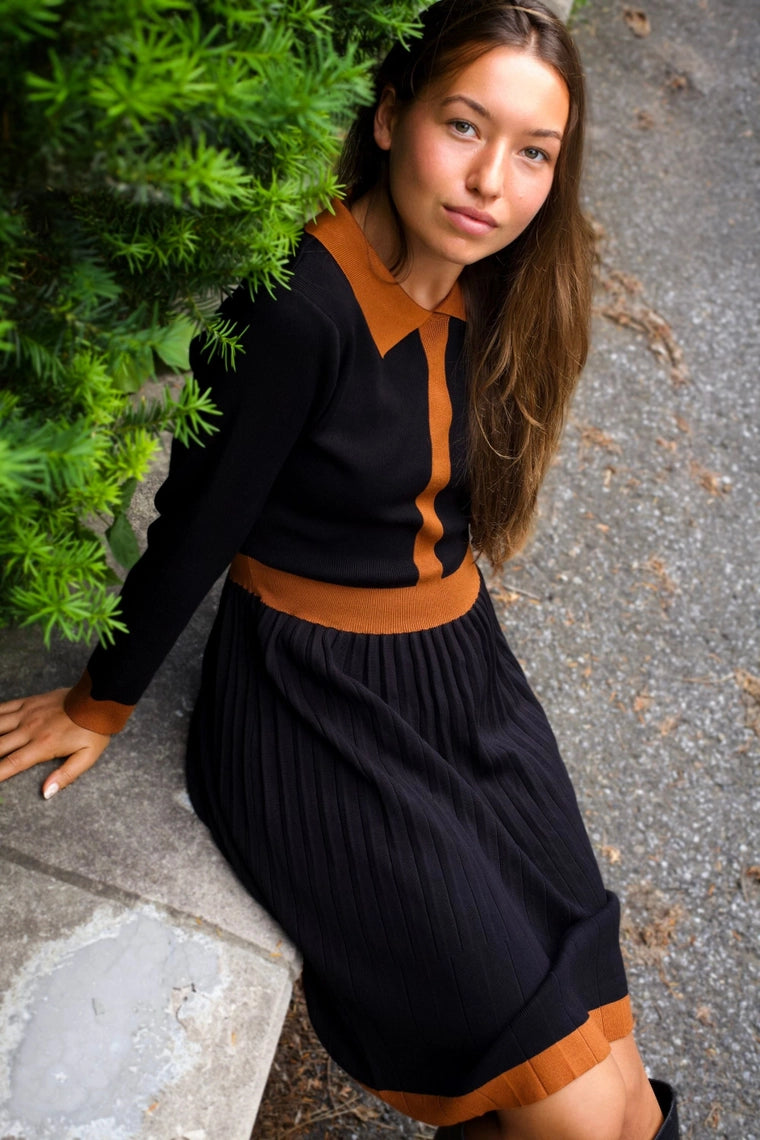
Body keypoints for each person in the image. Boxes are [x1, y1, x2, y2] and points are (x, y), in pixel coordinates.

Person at [0, 2, 680, 1137]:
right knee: (566, 1112)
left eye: (532, 154)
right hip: (317, 705)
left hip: (461, 685)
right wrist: (100, 701)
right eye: (463, 126)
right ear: (386, 117)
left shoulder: (501, 280)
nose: (490, 182)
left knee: (614, 1091)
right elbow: (198, 523)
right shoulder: (296, 306)